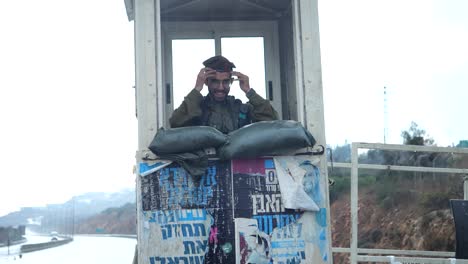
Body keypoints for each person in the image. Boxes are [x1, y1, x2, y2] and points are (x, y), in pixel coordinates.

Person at [169, 55, 278, 133]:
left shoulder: (242, 108)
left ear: (231, 82)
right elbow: (175, 123)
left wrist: (249, 91)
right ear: (207, 82)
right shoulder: (194, 107)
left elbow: (272, 121)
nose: (220, 88)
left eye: (225, 82)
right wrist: (197, 88)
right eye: (215, 81)